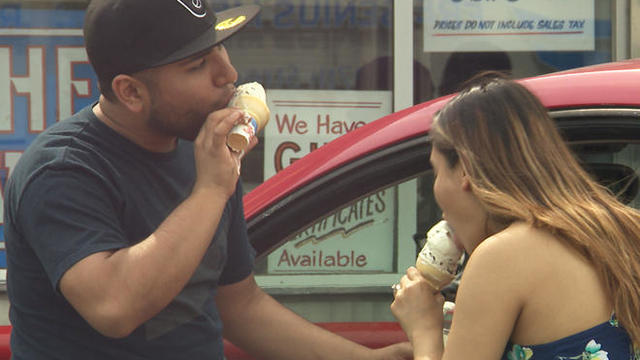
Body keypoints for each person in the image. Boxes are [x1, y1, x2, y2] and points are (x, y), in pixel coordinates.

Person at [3, 0, 413, 359]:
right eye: (197, 65)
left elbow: (239, 306)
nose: (228, 74)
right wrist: (212, 188)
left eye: (220, 49)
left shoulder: (200, 150)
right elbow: (114, 306)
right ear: (130, 92)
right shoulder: (62, 169)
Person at [390, 73, 640, 360]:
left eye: (436, 172)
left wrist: (423, 329)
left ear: (465, 171)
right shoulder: (623, 230)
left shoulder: (501, 257)